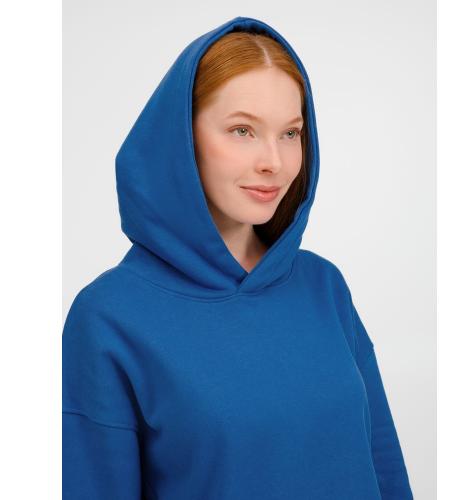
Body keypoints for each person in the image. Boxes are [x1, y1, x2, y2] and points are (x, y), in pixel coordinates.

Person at [62, 16, 414, 500]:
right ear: (181, 138)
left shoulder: (323, 286)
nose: (274, 162)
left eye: (290, 133)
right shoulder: (108, 317)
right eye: (242, 130)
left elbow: (384, 467)